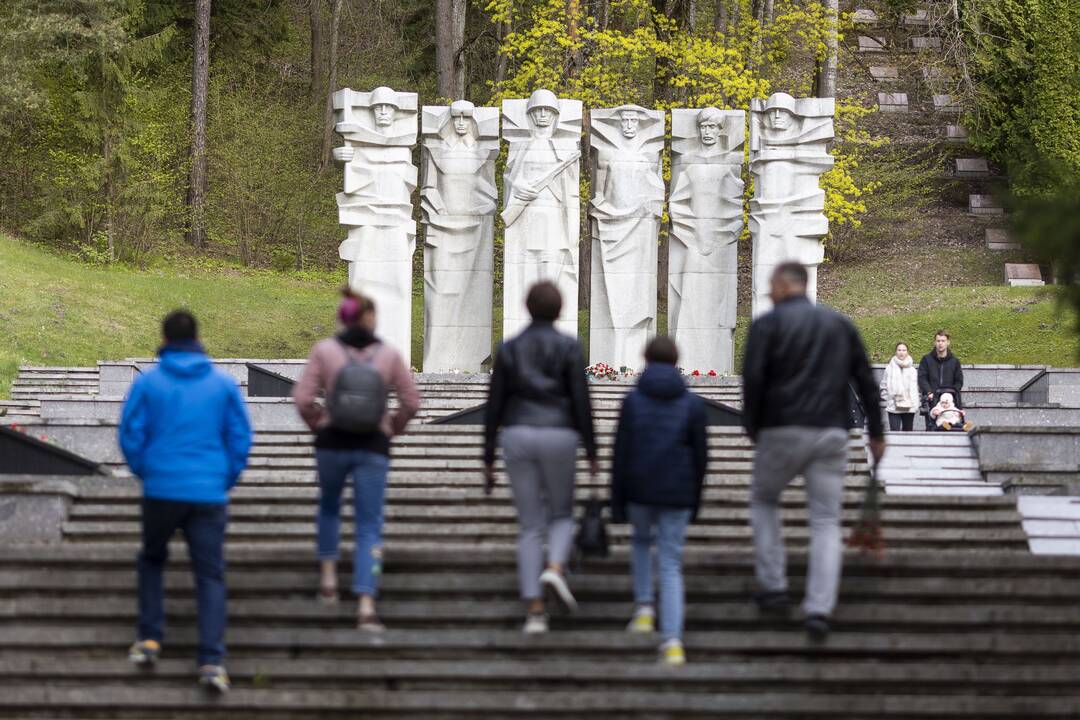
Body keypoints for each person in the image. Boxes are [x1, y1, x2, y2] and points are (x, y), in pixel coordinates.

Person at [741, 262, 885, 643]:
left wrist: (753, 426)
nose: (769, 292)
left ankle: (773, 585)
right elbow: (866, 381)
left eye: (771, 285)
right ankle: (819, 608)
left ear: (782, 285)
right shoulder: (839, 324)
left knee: (763, 499)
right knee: (825, 519)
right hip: (830, 431)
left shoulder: (767, 326)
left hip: (782, 427)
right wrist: (877, 432)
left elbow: (753, 380)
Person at [119, 310, 252, 693]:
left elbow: (131, 433)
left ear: (164, 338)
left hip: (161, 489)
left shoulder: (149, 383)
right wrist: (224, 477)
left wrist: (147, 470)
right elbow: (240, 437)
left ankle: (149, 638)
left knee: (152, 559)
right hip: (208, 493)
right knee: (210, 574)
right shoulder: (221, 384)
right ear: (196, 337)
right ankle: (211, 659)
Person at [293, 289, 419, 632]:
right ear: (371, 318)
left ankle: (329, 580)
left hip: (332, 443)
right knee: (369, 523)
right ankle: (366, 601)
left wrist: (318, 423)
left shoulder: (325, 351)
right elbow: (410, 402)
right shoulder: (389, 355)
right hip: (372, 447)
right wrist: (391, 428)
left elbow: (303, 398)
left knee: (329, 507)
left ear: (342, 318)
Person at [483, 281, 598, 634]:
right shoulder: (568, 347)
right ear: (560, 309)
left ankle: (534, 610)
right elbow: (581, 401)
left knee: (530, 523)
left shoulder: (510, 348)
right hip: (559, 433)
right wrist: (592, 449)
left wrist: (486, 454)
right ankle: (556, 567)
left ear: (527, 307)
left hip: (517, 432)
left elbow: (495, 404)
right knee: (561, 512)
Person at [610, 336, 707, 666]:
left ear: (646, 358)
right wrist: (695, 497)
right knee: (670, 562)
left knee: (640, 542)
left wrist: (617, 498)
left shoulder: (633, 401)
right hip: (678, 491)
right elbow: (701, 457)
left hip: (639, 487)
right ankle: (673, 641)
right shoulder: (692, 404)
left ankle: (644, 609)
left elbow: (620, 453)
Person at [880, 342, 920, 431]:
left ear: (907, 352)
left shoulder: (912, 370)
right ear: (896, 352)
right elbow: (883, 386)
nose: (901, 352)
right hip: (893, 407)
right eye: (899, 350)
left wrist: (915, 402)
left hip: (909, 407)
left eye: (904, 350)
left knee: (908, 434)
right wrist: (889, 399)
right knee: (894, 433)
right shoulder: (889, 369)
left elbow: (917, 388)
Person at [918, 330, 964, 405]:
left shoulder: (955, 361)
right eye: (938, 341)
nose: (940, 343)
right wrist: (929, 392)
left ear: (948, 342)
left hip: (950, 400)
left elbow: (959, 381)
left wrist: (951, 393)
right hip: (932, 399)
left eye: (943, 341)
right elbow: (922, 378)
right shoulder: (926, 359)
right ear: (935, 342)